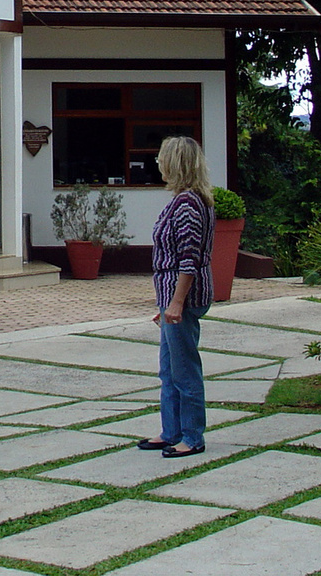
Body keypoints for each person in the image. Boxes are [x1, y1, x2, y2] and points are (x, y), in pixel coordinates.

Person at [137, 135, 216, 458]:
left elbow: (189, 258)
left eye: (161, 158)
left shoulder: (188, 205)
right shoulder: (187, 200)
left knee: (184, 370)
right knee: (169, 369)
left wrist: (177, 302)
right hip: (171, 296)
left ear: (175, 163)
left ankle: (192, 436)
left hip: (183, 296)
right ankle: (171, 430)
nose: (157, 164)